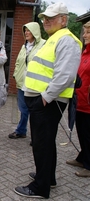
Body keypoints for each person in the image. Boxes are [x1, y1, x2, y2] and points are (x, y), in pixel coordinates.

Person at [14, 2, 82, 199]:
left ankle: (40, 187)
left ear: (63, 20)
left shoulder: (66, 40)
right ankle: (47, 177)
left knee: (41, 144)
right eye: (44, 18)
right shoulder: (55, 38)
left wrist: (45, 98)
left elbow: (65, 75)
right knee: (45, 142)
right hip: (43, 100)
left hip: (47, 101)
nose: (46, 21)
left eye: (51, 18)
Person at [8, 22, 45, 140]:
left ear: (35, 31)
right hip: (22, 83)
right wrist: (15, 74)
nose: (26, 33)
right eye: (25, 30)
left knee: (35, 112)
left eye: (29, 30)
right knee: (23, 109)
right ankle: (21, 130)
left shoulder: (44, 45)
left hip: (35, 84)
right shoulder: (24, 46)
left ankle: (37, 136)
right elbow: (19, 62)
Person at [66, 20, 90, 177]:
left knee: (88, 133)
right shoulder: (84, 51)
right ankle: (83, 157)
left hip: (88, 102)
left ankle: (88, 166)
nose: (85, 35)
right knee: (82, 131)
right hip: (79, 100)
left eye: (88, 32)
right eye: (85, 32)